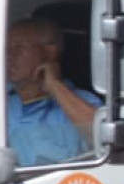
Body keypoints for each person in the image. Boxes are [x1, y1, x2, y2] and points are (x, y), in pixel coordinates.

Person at [6, 17, 102, 167]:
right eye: (6, 49)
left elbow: (103, 138)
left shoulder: (80, 101)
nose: (9, 56)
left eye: (19, 48)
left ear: (49, 52)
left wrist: (55, 86)